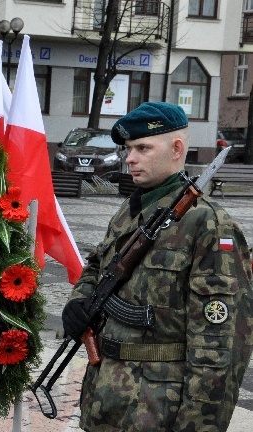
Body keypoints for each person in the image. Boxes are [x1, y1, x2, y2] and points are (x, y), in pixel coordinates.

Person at [61, 102, 253, 431]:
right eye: (128, 149)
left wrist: (197, 426)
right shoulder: (131, 208)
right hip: (105, 400)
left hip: (156, 409)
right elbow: (97, 265)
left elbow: (220, 346)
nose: (130, 158)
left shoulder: (208, 225)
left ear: (177, 148)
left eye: (142, 148)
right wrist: (80, 300)